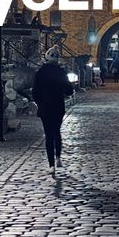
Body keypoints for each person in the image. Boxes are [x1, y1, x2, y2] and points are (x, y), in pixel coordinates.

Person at [31, 47, 74, 175]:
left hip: (45, 106)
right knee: (56, 132)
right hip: (58, 106)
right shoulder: (61, 73)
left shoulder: (40, 73)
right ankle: (58, 158)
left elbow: (35, 92)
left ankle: (51, 164)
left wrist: (40, 102)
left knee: (48, 135)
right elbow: (69, 90)